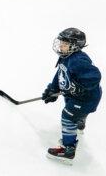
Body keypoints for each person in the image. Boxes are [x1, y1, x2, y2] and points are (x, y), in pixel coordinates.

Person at [42, 28, 102, 161]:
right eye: (61, 42)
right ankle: (79, 122)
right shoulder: (65, 57)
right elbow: (60, 74)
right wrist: (52, 90)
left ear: (75, 46)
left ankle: (68, 149)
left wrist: (81, 88)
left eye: (64, 44)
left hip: (85, 99)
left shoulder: (78, 60)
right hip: (73, 97)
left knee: (67, 116)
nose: (60, 46)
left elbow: (94, 76)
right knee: (74, 111)